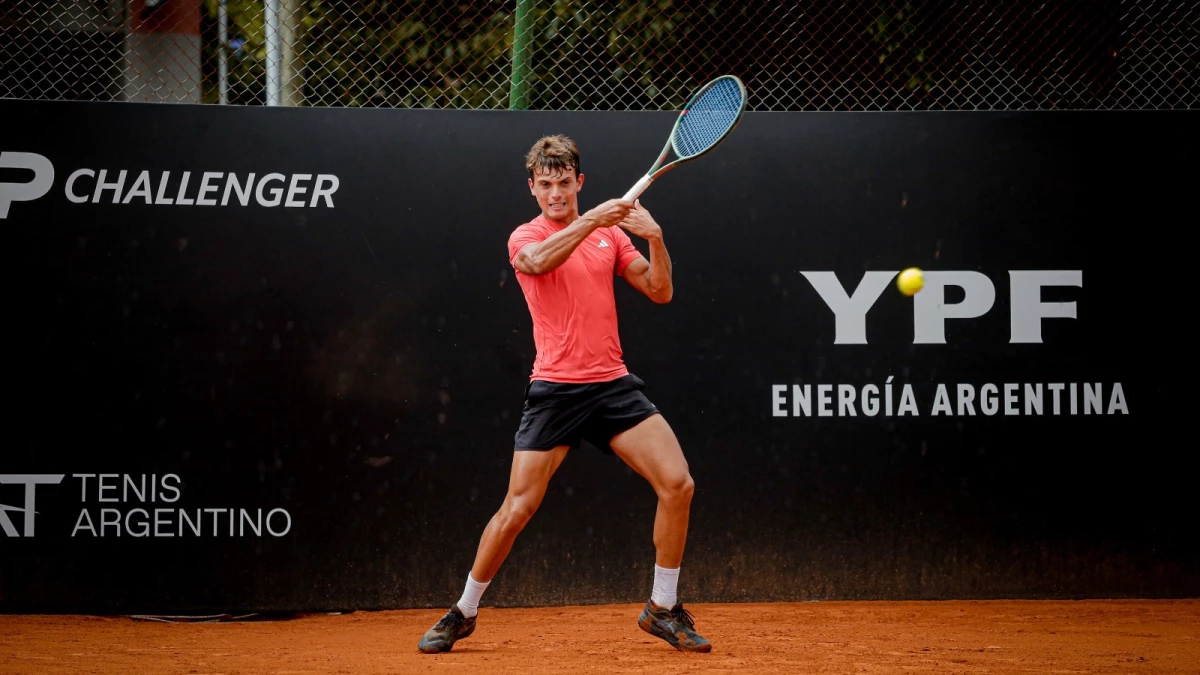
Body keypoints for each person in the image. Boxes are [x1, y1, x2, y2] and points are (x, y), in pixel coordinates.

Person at [417, 135, 710, 654]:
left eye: (565, 183)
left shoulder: (611, 236)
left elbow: (660, 290)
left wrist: (656, 239)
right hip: (556, 390)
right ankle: (463, 611)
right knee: (518, 508)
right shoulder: (526, 235)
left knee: (678, 484)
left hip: (612, 384)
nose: (556, 193)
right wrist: (592, 219)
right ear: (532, 188)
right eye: (546, 185)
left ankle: (662, 607)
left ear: (580, 182)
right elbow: (536, 263)